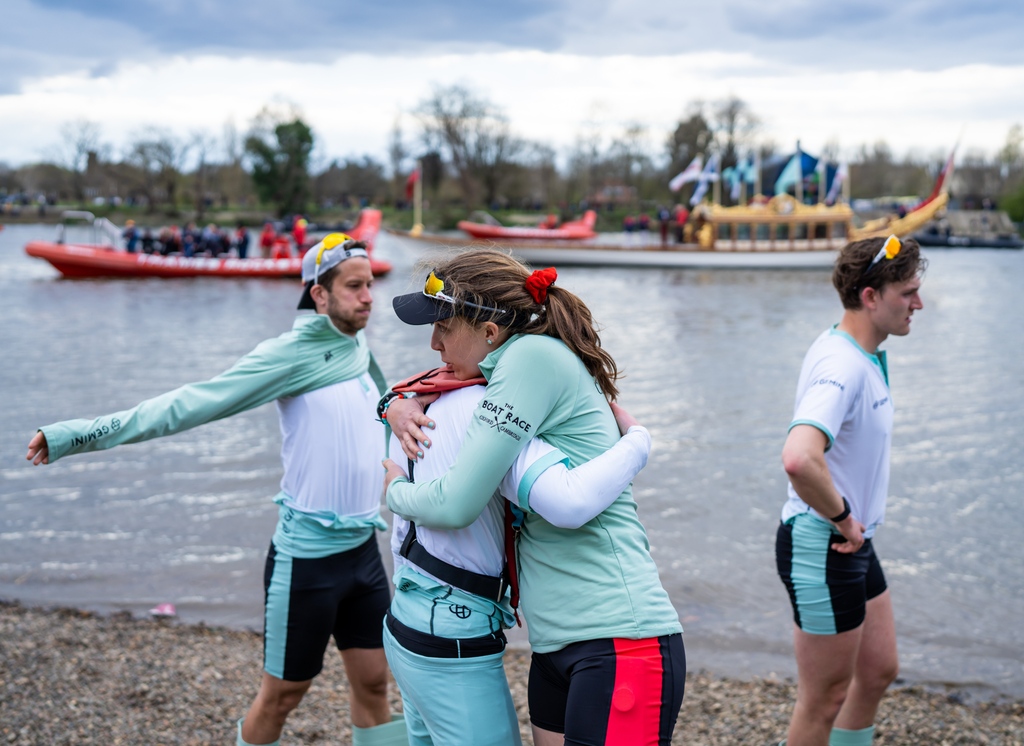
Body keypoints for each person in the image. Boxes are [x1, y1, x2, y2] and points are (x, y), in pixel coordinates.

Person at [25, 233, 406, 746]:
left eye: (369, 286)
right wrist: (78, 435)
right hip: (307, 560)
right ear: (319, 294)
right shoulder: (288, 356)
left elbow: (379, 409)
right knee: (283, 696)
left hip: (364, 551)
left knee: (375, 683)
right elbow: (188, 404)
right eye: (355, 287)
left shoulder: (355, 345)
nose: (369, 297)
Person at [383, 250, 685, 746]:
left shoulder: (529, 359)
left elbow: (459, 504)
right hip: (555, 641)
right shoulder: (512, 365)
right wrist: (395, 404)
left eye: (443, 324)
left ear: (490, 330)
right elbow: (442, 398)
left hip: (620, 633)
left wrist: (396, 490)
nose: (433, 341)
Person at [379, 360, 653, 746]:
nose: (434, 344)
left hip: (406, 615)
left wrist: (389, 402)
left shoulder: (418, 394)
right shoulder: (489, 412)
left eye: (442, 327)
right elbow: (569, 500)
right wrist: (638, 442)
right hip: (453, 628)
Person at [775, 235, 925, 746]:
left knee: (879, 668)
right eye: (908, 292)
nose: (918, 303)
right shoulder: (842, 365)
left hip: (853, 538)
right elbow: (799, 457)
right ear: (870, 296)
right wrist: (843, 517)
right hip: (826, 540)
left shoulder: (863, 353)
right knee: (823, 700)